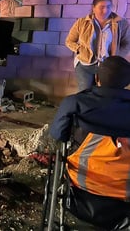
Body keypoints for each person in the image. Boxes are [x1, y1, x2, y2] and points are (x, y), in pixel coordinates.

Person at [50, 56, 130, 229]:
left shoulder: (75, 103)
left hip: (82, 184)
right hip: (125, 189)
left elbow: (57, 135)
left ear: (97, 78)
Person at [65, 0, 130, 91]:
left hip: (108, 66)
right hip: (85, 65)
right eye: (101, 7)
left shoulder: (120, 23)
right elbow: (69, 41)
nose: (105, 10)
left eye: (108, 7)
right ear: (94, 8)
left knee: (104, 93)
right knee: (85, 93)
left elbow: (127, 43)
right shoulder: (82, 22)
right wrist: (80, 49)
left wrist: (117, 56)